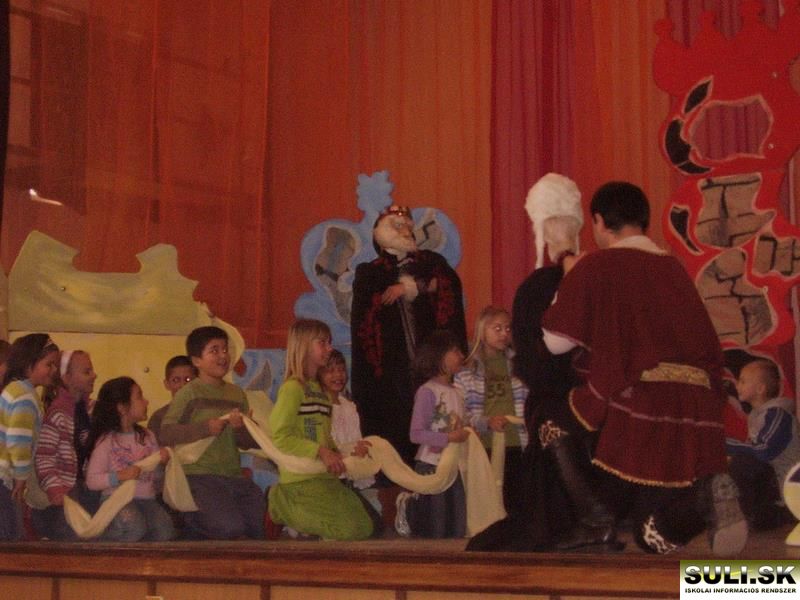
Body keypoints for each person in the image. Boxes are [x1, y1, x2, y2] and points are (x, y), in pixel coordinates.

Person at [541, 181, 747, 556]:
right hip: (697, 408)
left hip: (640, 400)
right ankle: (703, 498)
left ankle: (597, 522)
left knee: (549, 419)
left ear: (599, 221)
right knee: (651, 536)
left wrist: (569, 275)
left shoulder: (598, 265)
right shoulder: (673, 268)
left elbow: (554, 342)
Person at [468, 173, 616, 552]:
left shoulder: (538, 287)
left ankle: (595, 515)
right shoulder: (600, 275)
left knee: (550, 419)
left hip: (565, 397)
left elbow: (536, 360)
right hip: (601, 391)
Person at [350, 204, 467, 466]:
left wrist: (411, 287)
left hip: (429, 365)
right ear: (381, 232)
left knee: (435, 424)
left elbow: (447, 285)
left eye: (407, 226)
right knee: (396, 430)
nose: (405, 230)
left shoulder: (430, 263)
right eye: (397, 225)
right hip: (391, 371)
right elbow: (364, 322)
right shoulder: (370, 272)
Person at [268, 319, 373, 541]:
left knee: (365, 526)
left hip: (324, 476)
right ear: (304, 346)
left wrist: (342, 453)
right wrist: (320, 451)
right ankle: (281, 502)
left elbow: (325, 437)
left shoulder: (319, 392)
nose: (329, 348)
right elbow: (280, 436)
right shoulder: (292, 389)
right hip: (300, 479)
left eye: (329, 342)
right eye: (322, 343)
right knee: (347, 530)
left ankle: (307, 521)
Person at [159, 326, 264, 540]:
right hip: (199, 477)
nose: (223, 356)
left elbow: (247, 443)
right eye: (214, 350)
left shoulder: (237, 394)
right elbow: (166, 433)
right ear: (197, 360)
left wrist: (243, 427)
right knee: (230, 528)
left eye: (225, 349)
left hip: (233, 475)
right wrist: (205, 428)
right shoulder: (189, 394)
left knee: (256, 526)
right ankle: (188, 524)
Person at [394, 329, 470, 539]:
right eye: (455, 351)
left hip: (454, 465)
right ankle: (409, 507)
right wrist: (448, 438)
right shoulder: (428, 391)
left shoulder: (458, 392)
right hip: (431, 464)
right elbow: (416, 434)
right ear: (440, 356)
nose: (461, 355)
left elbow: (465, 422)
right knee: (436, 525)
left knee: (457, 524)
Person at [454, 306, 528, 513]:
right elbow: (462, 412)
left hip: (516, 440)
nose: (504, 333)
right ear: (482, 330)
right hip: (485, 443)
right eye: (497, 328)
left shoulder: (519, 365)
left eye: (508, 328)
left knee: (517, 499)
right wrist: (486, 422)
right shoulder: (467, 371)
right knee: (490, 500)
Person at [85, 377, 175, 541]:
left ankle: (144, 557)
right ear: (122, 408)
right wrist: (120, 476)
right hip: (116, 500)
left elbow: (156, 478)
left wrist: (162, 463)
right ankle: (102, 541)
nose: (146, 401)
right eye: (139, 396)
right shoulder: (107, 441)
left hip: (146, 500)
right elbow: (92, 480)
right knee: (134, 527)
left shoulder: (147, 436)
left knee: (165, 531)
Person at [32, 350, 100, 540]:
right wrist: (55, 489)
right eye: (87, 371)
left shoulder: (93, 410)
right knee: (72, 531)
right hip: (66, 489)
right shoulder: (58, 414)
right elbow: (44, 457)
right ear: (67, 378)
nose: (94, 375)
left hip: (89, 486)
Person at [727, 359, 800, 530]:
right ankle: (753, 517)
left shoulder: (778, 415)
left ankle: (774, 514)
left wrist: (727, 444)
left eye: (743, 381)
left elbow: (765, 451)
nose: (737, 385)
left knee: (742, 463)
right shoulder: (757, 416)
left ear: (760, 389)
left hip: (787, 487)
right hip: (775, 485)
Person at [0, 334, 59, 541]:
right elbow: (19, 441)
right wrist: (20, 478)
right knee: (9, 535)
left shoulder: (15, 389)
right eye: (48, 364)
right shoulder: (25, 396)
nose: (54, 370)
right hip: (5, 476)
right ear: (28, 363)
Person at [148, 355, 197, 444]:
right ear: (167, 384)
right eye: (176, 380)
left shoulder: (203, 411)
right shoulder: (158, 418)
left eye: (188, 379)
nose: (183, 385)